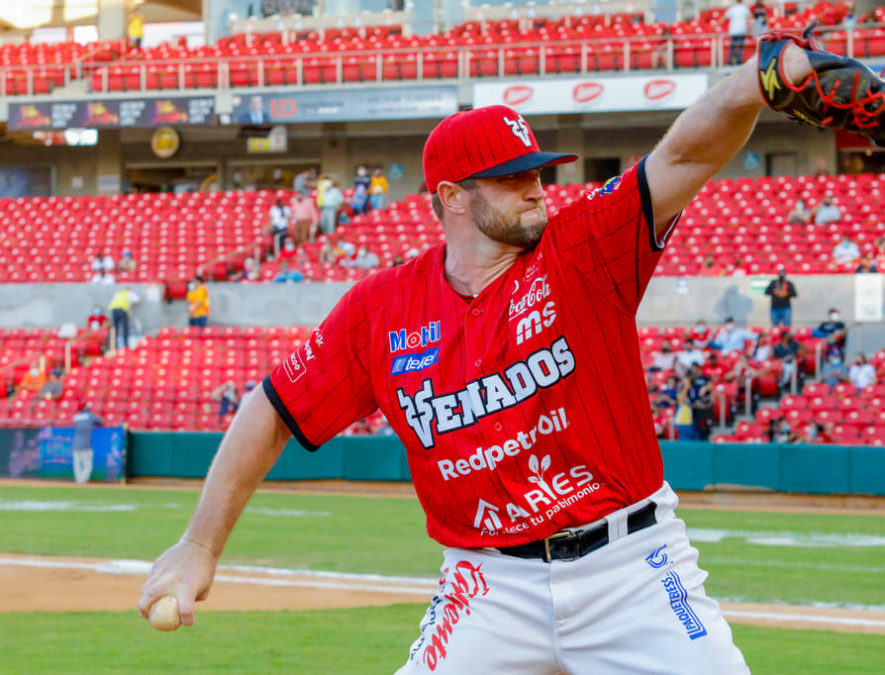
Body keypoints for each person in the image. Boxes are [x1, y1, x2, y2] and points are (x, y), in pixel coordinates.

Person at [138, 68, 831, 665]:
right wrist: (200, 544)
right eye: (511, 178)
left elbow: (684, 154)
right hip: (487, 583)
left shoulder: (582, 249)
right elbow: (273, 407)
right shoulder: (380, 310)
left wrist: (756, 79)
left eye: (537, 171)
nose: (537, 188)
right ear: (451, 197)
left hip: (632, 568)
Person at [72, 403, 104, 484]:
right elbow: (101, 421)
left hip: (76, 444)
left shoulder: (76, 417)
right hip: (86, 445)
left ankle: (79, 480)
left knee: (77, 464)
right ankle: (82, 481)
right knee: (87, 465)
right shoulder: (90, 416)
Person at [726, 0, 751, 65]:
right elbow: (749, 18)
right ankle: (737, 62)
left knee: (733, 47)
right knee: (739, 47)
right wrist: (749, 27)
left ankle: (731, 62)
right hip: (741, 30)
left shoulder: (733, 8)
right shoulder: (744, 7)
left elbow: (725, 17)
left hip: (735, 31)